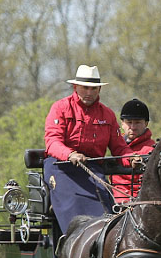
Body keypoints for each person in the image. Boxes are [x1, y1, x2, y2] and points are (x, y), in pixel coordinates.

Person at [43, 64, 131, 234]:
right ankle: (71, 241)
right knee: (72, 202)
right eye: (85, 88)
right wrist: (70, 154)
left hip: (92, 170)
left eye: (93, 88)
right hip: (60, 168)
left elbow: (120, 148)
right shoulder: (60, 108)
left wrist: (133, 158)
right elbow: (52, 141)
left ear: (99, 89)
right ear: (75, 87)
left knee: (105, 206)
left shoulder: (108, 115)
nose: (89, 93)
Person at [111, 98, 155, 204]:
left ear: (146, 123)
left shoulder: (152, 149)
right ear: (122, 123)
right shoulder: (114, 145)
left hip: (141, 200)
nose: (132, 127)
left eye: (137, 123)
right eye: (129, 122)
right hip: (113, 195)